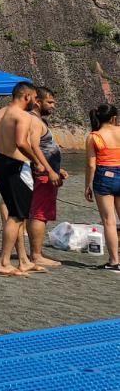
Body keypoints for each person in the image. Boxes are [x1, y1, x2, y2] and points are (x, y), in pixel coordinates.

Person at [0, 81, 44, 276]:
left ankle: (23, 260)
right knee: (16, 216)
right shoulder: (22, 115)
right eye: (34, 98)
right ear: (27, 96)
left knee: (18, 214)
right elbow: (22, 143)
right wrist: (36, 161)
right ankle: (4, 262)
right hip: (17, 168)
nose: (35, 102)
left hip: (2, 166)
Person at [27, 87, 67, 268]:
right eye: (50, 102)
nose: (53, 106)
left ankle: (37, 252)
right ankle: (36, 255)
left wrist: (57, 169)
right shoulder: (35, 121)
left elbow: (43, 149)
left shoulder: (37, 121)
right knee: (39, 214)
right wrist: (49, 171)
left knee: (39, 213)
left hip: (47, 172)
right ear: (38, 102)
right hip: (43, 176)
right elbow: (34, 146)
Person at [85, 103, 120, 271]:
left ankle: (114, 261)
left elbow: (91, 165)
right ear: (114, 118)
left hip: (104, 177)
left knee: (109, 221)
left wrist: (87, 185)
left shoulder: (94, 136)